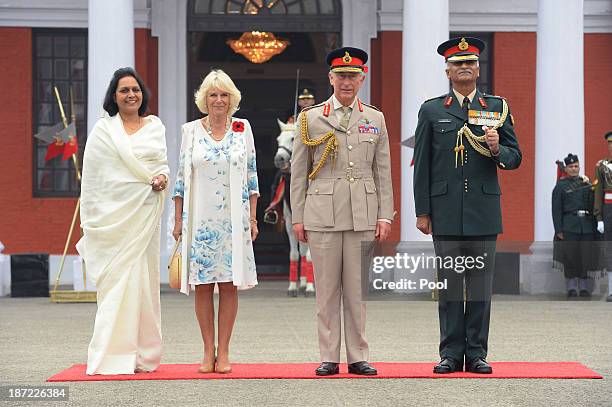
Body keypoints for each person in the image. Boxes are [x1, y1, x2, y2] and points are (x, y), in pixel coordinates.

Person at [413, 37, 522, 374]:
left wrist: (495, 148)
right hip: (445, 210)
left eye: (470, 63)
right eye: (457, 63)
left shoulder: (496, 107)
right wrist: (422, 211)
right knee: (448, 286)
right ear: (447, 70)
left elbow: (515, 157)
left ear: (478, 69)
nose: (464, 68)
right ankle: (449, 353)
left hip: (483, 210)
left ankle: (475, 354)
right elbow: (423, 163)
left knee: (478, 287)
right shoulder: (433, 109)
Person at [291, 47, 394, 376]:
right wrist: (297, 216)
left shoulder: (374, 118)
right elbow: (298, 171)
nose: (347, 81)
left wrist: (385, 214)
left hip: (363, 212)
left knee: (357, 291)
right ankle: (329, 356)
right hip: (322, 212)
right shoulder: (311, 118)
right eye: (341, 75)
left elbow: (383, 170)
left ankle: (358, 355)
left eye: (353, 76)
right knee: (326, 290)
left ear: (362, 78)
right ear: (330, 78)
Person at [77, 67, 169, 375]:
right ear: (114, 97)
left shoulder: (155, 126)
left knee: (143, 285)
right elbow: (95, 181)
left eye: (135, 89)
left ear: (142, 94)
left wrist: (159, 179)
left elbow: (163, 166)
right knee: (118, 286)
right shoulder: (104, 131)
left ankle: (143, 355)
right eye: (124, 90)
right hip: (115, 222)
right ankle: (112, 355)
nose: (131, 95)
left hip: (144, 217)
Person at [172, 69, 259, 374]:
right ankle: (208, 350)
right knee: (204, 286)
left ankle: (226, 352)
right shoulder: (190, 131)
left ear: (232, 99)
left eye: (224, 95)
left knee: (229, 285)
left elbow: (251, 175)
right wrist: (177, 219)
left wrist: (252, 215)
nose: (218, 100)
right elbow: (181, 177)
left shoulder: (242, 127)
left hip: (234, 218)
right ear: (204, 99)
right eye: (213, 94)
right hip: (199, 218)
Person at [552, 154, 596, 298]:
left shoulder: (586, 183)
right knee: (570, 256)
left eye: (576, 166)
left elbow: (592, 205)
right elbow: (556, 209)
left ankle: (583, 287)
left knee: (586, 256)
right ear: (566, 168)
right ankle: (571, 287)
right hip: (569, 225)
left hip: (587, 225)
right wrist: (559, 229)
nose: (574, 169)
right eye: (571, 167)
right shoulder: (561, 186)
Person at [594, 131, 612, 301]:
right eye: (610, 143)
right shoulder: (602, 167)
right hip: (609, 210)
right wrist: (599, 216)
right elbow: (599, 192)